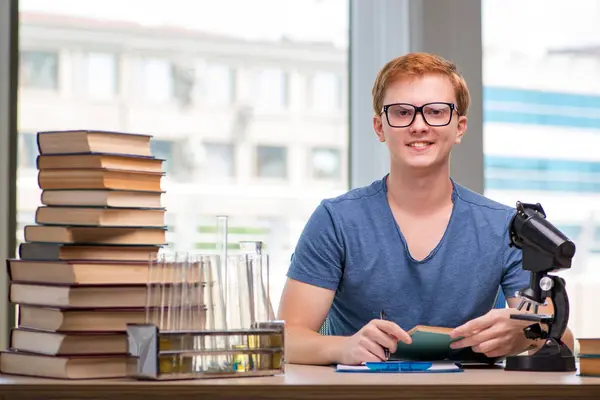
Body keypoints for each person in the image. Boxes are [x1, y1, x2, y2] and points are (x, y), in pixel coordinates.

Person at [277, 52, 574, 366]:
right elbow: (287, 337)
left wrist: (529, 335)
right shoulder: (335, 220)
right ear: (380, 127)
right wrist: (343, 348)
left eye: (435, 111)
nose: (419, 125)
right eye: (402, 112)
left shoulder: (507, 227)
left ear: (459, 127)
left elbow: (565, 339)